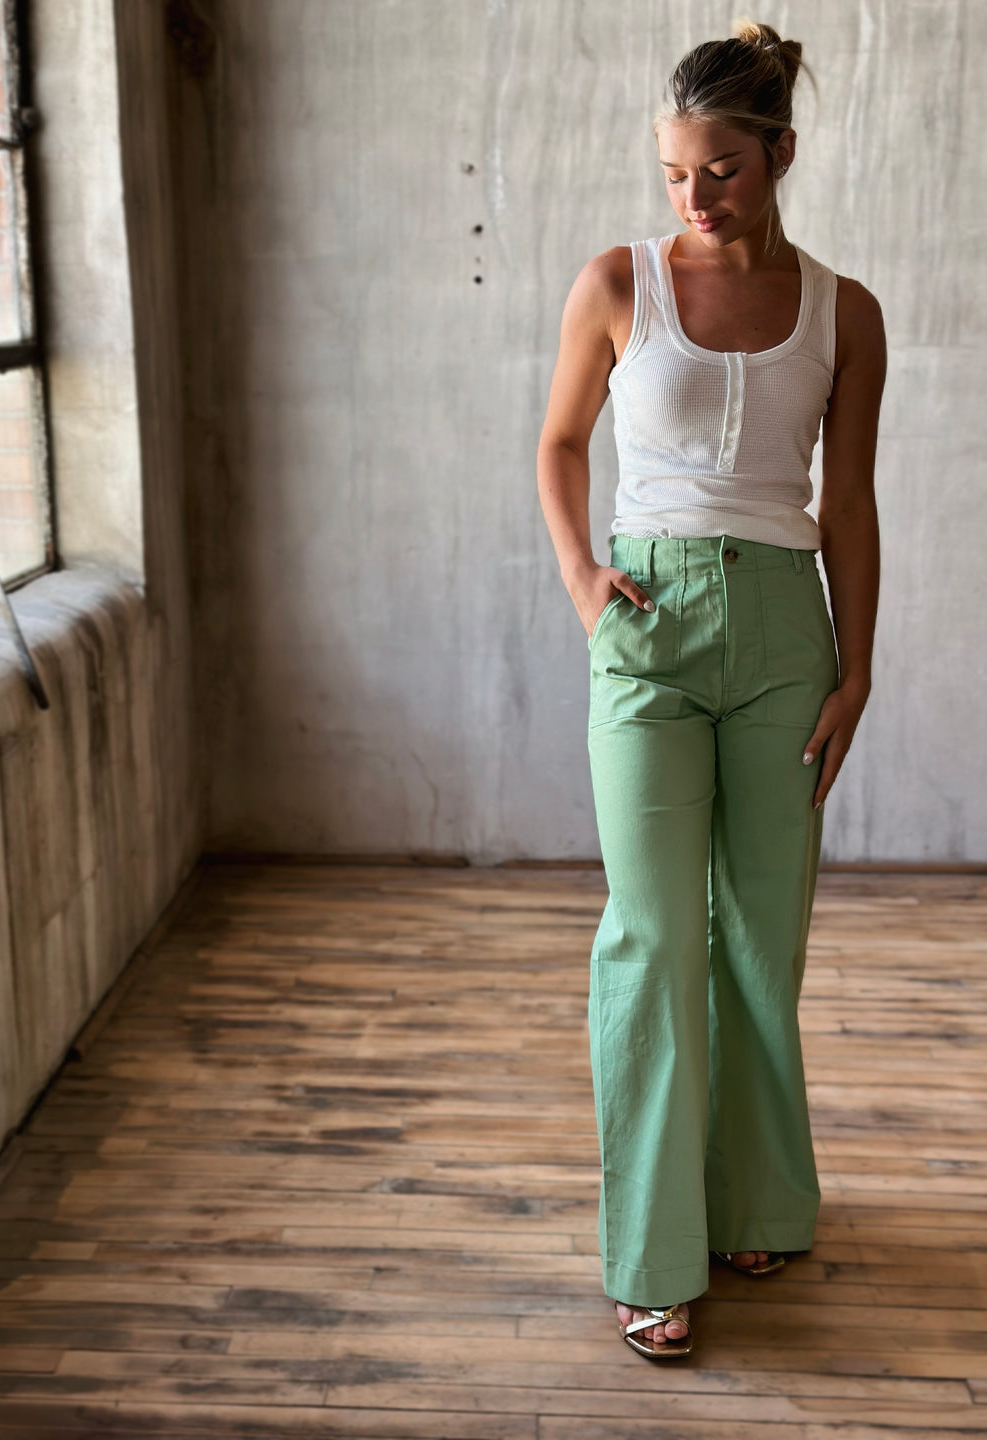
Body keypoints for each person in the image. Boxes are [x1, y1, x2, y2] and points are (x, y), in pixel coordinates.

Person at [535, 19, 884, 1359]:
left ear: (780, 154)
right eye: (680, 170)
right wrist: (581, 577)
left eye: (724, 169)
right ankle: (651, 1255)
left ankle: (757, 1202)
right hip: (650, 625)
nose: (697, 195)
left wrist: (860, 665)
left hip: (787, 632)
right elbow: (563, 442)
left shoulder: (846, 311)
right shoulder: (618, 283)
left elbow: (845, 502)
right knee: (651, 935)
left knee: (760, 936)